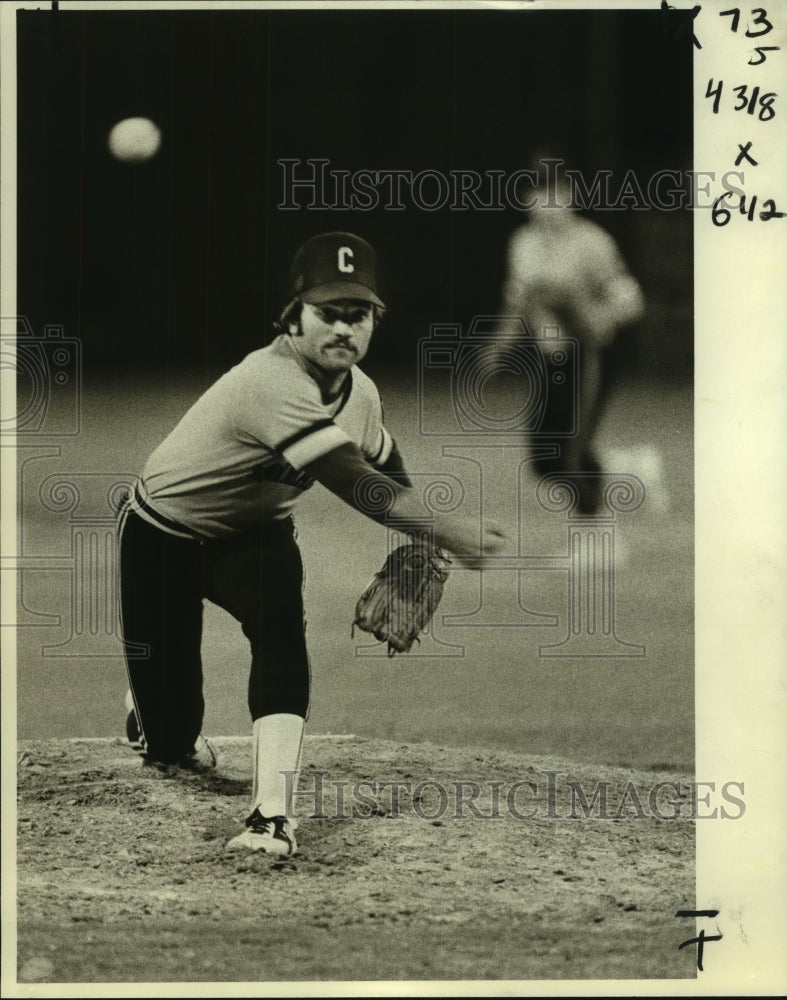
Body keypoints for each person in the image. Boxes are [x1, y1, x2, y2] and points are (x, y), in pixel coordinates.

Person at [117, 231, 506, 857]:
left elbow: (383, 464)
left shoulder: (362, 395)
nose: (344, 329)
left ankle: (272, 814)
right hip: (161, 535)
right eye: (328, 312)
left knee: (281, 631)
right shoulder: (266, 382)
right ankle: (149, 705)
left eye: (360, 315)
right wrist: (451, 533)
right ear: (292, 315)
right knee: (172, 746)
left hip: (255, 536)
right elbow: (354, 483)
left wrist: (420, 545)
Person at [493, 158, 645, 514]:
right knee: (544, 459)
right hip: (552, 358)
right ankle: (635, 468)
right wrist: (498, 345)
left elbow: (631, 299)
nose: (545, 204)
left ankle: (596, 539)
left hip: (591, 355)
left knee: (570, 453)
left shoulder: (591, 242)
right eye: (536, 194)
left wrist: (596, 320)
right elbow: (519, 302)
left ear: (570, 196)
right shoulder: (524, 243)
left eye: (554, 194)